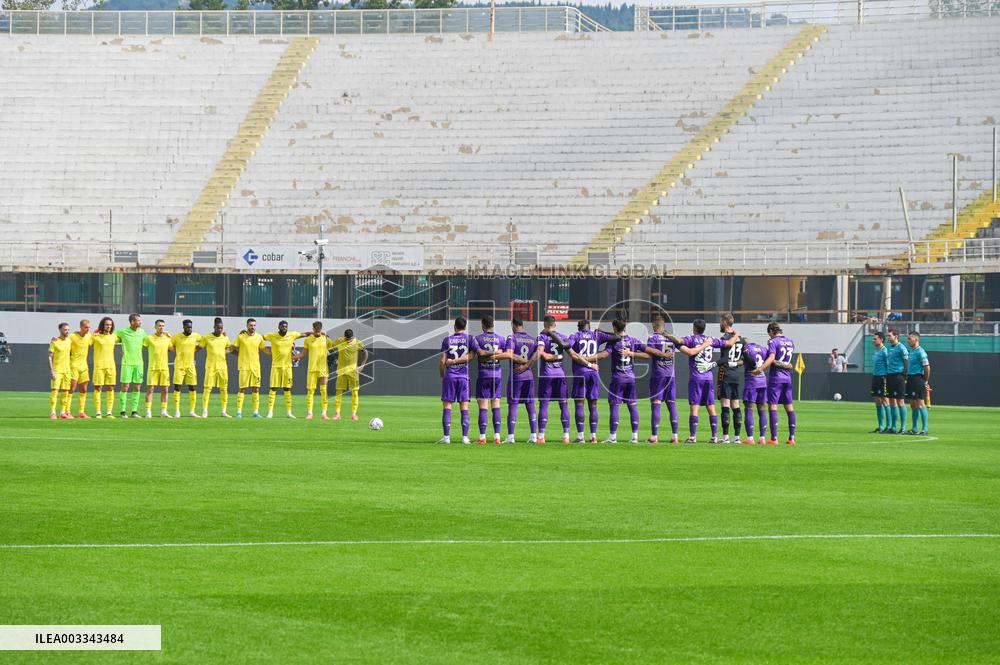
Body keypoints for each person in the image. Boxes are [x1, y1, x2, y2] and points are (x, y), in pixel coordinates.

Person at [666, 319, 726, 443]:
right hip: (708, 377)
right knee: (711, 406)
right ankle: (714, 437)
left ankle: (693, 437)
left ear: (694, 328)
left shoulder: (692, 339)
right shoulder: (711, 339)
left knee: (695, 407)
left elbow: (679, 341)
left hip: (696, 377)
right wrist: (736, 335)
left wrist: (667, 335)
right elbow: (728, 343)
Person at [492, 318, 540, 443]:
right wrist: (528, 364)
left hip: (516, 376)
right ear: (522, 325)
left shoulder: (511, 337)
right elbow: (536, 355)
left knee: (513, 405)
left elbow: (509, 354)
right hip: (529, 375)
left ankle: (511, 437)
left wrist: (494, 356)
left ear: (514, 325)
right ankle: (534, 436)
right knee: (530, 405)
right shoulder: (532, 339)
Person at [601, 318, 647, 444]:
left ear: (615, 328)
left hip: (618, 378)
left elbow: (604, 355)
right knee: (632, 405)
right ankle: (634, 437)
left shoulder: (613, 342)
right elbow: (648, 355)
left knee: (615, 405)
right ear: (625, 327)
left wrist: (588, 359)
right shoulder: (633, 340)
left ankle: (613, 437)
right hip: (631, 378)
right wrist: (631, 353)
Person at [755, 322, 796, 444]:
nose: (769, 337)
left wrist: (760, 369)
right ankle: (791, 438)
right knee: (789, 406)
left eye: (769, 334)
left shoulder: (773, 342)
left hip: (776, 378)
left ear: (772, 332)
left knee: (773, 405)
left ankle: (774, 438)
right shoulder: (790, 342)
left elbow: (772, 358)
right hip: (787, 378)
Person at [437, 316, 476, 444]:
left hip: (450, 376)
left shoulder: (447, 340)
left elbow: (442, 361)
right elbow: (471, 356)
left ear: (454, 327)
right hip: (464, 377)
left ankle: (446, 438)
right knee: (464, 406)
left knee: (447, 405)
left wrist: (442, 375)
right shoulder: (469, 339)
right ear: (464, 327)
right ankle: (465, 437)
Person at [643, 315, 678, 444]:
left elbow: (649, 353)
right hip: (671, 375)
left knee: (656, 403)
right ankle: (675, 436)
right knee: (671, 403)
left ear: (654, 325)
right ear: (664, 326)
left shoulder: (652, 338)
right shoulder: (671, 339)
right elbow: (681, 345)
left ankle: (654, 436)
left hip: (658, 374)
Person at [473, 315, 505, 444]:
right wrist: (497, 353)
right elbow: (504, 352)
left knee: (483, 405)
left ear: (482, 325)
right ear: (493, 325)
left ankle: (482, 437)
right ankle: (497, 436)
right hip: (496, 374)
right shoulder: (501, 339)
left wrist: (486, 355)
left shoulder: (478, 339)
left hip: (484, 374)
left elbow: (479, 354)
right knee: (496, 404)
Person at [263, 320, 302, 418]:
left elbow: (304, 334)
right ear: (279, 327)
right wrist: (246, 333)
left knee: (287, 389)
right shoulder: (272, 336)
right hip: (276, 367)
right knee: (273, 388)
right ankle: (270, 412)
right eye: (283, 326)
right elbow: (260, 337)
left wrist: (316, 333)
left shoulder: (291, 335)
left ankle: (289, 412)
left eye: (286, 326)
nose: (284, 328)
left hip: (287, 367)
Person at [715, 314, 744, 443]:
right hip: (736, 374)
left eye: (721, 321)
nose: (720, 324)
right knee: (736, 405)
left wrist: (713, 363)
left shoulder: (725, 338)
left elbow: (724, 359)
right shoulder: (741, 339)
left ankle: (726, 437)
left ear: (725, 322)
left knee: (725, 405)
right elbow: (743, 359)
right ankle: (737, 437)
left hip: (725, 373)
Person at [330, 329, 367, 421]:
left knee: (354, 393)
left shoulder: (357, 343)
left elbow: (365, 352)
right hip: (341, 371)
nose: (348, 341)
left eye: (349, 339)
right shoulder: (339, 340)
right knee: (338, 393)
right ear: (344, 337)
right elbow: (330, 346)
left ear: (352, 337)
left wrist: (362, 365)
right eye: (347, 339)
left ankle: (354, 414)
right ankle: (337, 414)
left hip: (353, 372)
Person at [116, 314, 148, 418]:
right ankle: (122, 411)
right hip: (127, 363)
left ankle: (134, 411)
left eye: (140, 320)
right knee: (125, 387)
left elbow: (149, 341)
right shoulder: (122, 331)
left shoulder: (142, 332)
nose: (140, 322)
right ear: (132, 322)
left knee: (137, 387)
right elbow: (110, 337)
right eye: (138, 321)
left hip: (139, 364)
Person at [169, 319, 202, 418]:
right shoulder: (177, 336)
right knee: (177, 387)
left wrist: (196, 349)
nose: (190, 329)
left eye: (191, 327)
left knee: (192, 387)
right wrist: (177, 351)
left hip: (191, 366)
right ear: (183, 327)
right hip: (179, 365)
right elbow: (169, 346)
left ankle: (192, 411)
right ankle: (177, 411)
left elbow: (205, 341)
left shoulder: (195, 336)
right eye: (188, 327)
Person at [301, 321, 334, 420]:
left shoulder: (325, 339)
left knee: (324, 391)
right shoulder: (308, 340)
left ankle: (324, 413)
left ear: (321, 329)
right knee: (310, 391)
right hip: (312, 369)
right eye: (316, 330)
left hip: (323, 369)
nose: (318, 332)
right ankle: (310, 413)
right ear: (313, 329)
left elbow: (331, 348)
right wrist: (293, 358)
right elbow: (303, 353)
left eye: (319, 330)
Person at [200, 317, 233, 417]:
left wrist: (223, 353)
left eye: (221, 328)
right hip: (210, 367)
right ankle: (205, 411)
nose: (220, 330)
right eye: (218, 328)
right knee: (207, 389)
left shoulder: (225, 338)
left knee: (224, 389)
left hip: (223, 367)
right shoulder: (207, 337)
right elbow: (199, 347)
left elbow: (230, 348)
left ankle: (223, 411)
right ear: (214, 327)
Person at [233, 318, 265, 418]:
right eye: (251, 325)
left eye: (254, 325)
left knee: (256, 389)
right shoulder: (241, 337)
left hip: (256, 367)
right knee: (242, 389)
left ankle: (256, 412)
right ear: (247, 326)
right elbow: (233, 348)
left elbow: (263, 349)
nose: (252, 327)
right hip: (244, 367)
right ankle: (239, 412)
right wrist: (241, 355)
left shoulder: (259, 337)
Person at [740, 338, 769, 445]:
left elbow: (743, 361)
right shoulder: (762, 349)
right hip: (763, 381)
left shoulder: (746, 348)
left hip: (752, 380)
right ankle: (762, 438)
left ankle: (750, 438)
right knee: (762, 409)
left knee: (749, 407)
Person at [142, 319, 172, 418]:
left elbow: (172, 349)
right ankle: (148, 411)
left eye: (163, 326)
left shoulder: (167, 338)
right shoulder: (149, 338)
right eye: (159, 325)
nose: (161, 327)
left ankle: (164, 411)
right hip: (153, 367)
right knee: (150, 389)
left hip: (164, 368)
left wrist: (172, 338)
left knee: (165, 390)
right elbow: (141, 346)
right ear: (155, 327)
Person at [91, 317, 118, 418]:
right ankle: (98, 412)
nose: (109, 326)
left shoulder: (114, 337)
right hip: (99, 366)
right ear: (102, 325)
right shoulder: (95, 337)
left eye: (110, 325)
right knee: (98, 388)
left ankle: (109, 412)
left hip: (111, 366)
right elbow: (84, 339)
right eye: (107, 324)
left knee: (111, 387)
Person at [884, 328, 909, 434]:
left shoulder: (901, 348)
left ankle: (903, 428)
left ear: (896, 336)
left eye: (889, 336)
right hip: (890, 376)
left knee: (900, 401)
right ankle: (893, 427)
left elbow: (906, 362)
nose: (888, 338)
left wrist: (905, 376)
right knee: (892, 401)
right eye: (887, 336)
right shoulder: (889, 348)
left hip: (899, 376)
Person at [905, 332, 930, 435]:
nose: (908, 340)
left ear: (916, 339)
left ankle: (925, 429)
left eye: (909, 338)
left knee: (920, 403)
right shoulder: (911, 351)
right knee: (912, 404)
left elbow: (927, 367)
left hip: (918, 379)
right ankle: (914, 428)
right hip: (910, 378)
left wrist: (925, 380)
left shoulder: (921, 352)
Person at [67, 319, 93, 419]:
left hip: (84, 366)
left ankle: (81, 412)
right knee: (71, 388)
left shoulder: (89, 337)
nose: (87, 329)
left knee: (84, 389)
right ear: (81, 327)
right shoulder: (72, 337)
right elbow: (64, 343)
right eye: (86, 327)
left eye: (89, 328)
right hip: (74, 366)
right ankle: (66, 412)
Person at [48, 322, 72, 419]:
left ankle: (62, 412)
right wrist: (52, 371)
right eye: (65, 329)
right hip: (57, 370)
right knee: (55, 391)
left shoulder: (69, 341)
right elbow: (49, 357)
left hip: (67, 370)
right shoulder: (54, 341)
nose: (67, 331)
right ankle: (53, 412)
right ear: (60, 330)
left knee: (65, 392)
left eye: (68, 330)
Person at [869, 332, 890, 433]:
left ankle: (889, 426)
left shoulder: (885, 351)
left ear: (881, 339)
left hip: (883, 378)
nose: (873, 340)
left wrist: (887, 378)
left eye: (875, 339)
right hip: (876, 377)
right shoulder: (876, 351)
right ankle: (881, 426)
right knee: (877, 400)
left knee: (885, 401)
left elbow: (888, 365)